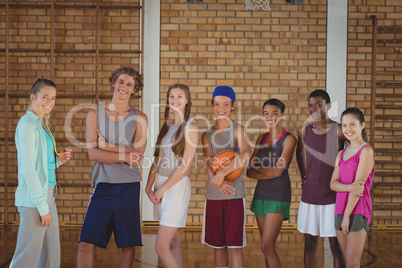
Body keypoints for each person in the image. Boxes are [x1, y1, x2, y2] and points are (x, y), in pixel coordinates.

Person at [77, 67, 148, 268]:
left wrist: (107, 147)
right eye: (121, 82)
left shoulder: (140, 117)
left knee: (127, 244)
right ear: (113, 83)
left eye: (129, 84)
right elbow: (93, 154)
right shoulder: (94, 114)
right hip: (104, 186)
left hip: (129, 186)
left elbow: (138, 157)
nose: (123, 87)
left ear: (135, 90)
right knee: (85, 243)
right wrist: (126, 155)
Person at [10, 77, 72, 268]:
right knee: (26, 257)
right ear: (33, 97)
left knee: (51, 255)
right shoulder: (28, 124)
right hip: (34, 200)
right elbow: (28, 169)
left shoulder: (39, 124)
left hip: (47, 195)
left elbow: (41, 164)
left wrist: (57, 161)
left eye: (53, 98)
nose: (49, 102)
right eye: (45, 97)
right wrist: (42, 207)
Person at [145, 83, 198, 268]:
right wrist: (148, 187)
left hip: (176, 188)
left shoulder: (191, 126)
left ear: (187, 100)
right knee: (174, 242)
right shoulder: (167, 126)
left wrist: (162, 190)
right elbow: (157, 159)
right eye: (171, 97)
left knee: (160, 247)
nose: (175, 100)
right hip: (160, 185)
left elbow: (184, 167)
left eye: (179, 97)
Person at [201, 86, 250, 268]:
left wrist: (221, 174)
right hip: (214, 195)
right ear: (212, 105)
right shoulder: (206, 134)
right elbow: (207, 162)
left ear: (233, 106)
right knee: (218, 245)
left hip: (234, 195)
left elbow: (245, 155)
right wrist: (217, 183)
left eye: (226, 104)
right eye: (217, 104)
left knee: (235, 246)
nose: (221, 108)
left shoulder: (238, 130)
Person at [296, 89, 346, 268]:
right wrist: (304, 174)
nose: (313, 109)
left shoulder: (339, 130)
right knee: (309, 244)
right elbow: (298, 151)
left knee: (335, 245)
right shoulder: (303, 130)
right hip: (310, 195)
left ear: (329, 106)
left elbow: (355, 153)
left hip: (332, 196)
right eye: (310, 106)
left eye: (318, 105)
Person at [247, 99, 297, 268]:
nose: (270, 117)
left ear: (282, 115)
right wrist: (268, 171)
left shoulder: (290, 139)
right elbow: (249, 170)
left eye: (275, 113)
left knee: (266, 246)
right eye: (266, 113)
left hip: (278, 195)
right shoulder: (261, 138)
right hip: (260, 195)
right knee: (267, 247)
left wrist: (260, 171)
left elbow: (278, 171)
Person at [330, 107, 374, 268]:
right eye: (344, 125)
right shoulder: (341, 154)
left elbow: (359, 189)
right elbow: (332, 184)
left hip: (357, 210)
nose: (348, 129)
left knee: (352, 263)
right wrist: (349, 188)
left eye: (352, 124)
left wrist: (347, 216)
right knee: (347, 260)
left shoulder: (366, 151)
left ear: (362, 125)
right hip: (340, 209)